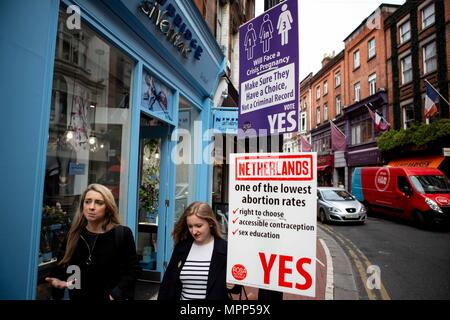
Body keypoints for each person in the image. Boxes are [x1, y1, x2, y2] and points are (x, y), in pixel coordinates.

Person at [45, 183, 139, 300]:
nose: (91, 207)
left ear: (108, 207)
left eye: (99, 202)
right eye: (87, 201)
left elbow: (132, 270)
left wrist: (115, 294)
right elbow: (64, 267)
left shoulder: (122, 234)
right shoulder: (73, 235)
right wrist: (61, 280)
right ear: (82, 206)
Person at [158, 201, 240, 300]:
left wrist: (233, 285)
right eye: (190, 226)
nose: (194, 231)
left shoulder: (224, 249)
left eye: (198, 226)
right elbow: (168, 283)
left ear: (210, 223)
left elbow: (236, 288)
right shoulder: (181, 248)